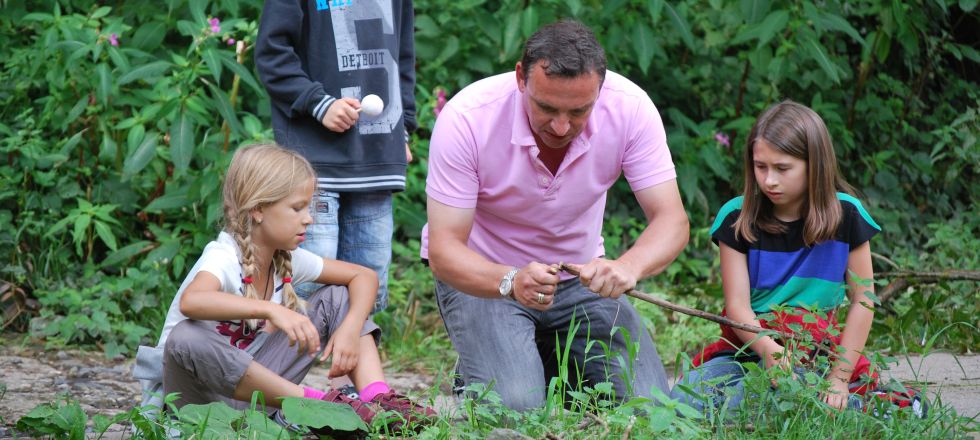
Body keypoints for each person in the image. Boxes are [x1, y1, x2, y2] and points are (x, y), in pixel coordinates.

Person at [422, 20, 689, 411]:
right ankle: (505, 368)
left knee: (649, 407)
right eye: (546, 108)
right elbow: (444, 250)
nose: (562, 126)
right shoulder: (467, 117)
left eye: (579, 111)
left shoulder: (629, 107)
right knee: (517, 407)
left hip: (581, 279)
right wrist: (511, 280)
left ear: (601, 86)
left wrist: (628, 266)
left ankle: (536, 364)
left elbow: (672, 220)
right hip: (489, 278)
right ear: (520, 79)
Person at [133, 144, 433, 430]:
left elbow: (364, 277)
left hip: (254, 398)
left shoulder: (286, 258)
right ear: (259, 209)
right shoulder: (223, 256)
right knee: (186, 337)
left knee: (337, 297)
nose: (309, 219)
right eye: (297, 208)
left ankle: (379, 403)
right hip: (196, 404)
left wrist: (350, 329)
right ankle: (317, 406)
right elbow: (192, 301)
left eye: (309, 207)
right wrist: (271, 310)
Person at [670, 101, 884, 414]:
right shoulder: (736, 217)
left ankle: (857, 405)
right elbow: (738, 306)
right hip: (748, 347)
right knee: (684, 400)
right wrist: (769, 350)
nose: (769, 180)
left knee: (764, 400)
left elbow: (863, 301)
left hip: (817, 349)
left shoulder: (847, 215)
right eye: (761, 167)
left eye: (782, 168)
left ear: (815, 165)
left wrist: (839, 377)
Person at [255, 0, 417, 314]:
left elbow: (403, 56)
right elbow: (272, 53)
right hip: (314, 166)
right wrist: (319, 103)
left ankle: (353, 359)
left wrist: (403, 127)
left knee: (369, 290)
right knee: (307, 288)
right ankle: (289, 360)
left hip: (376, 160)